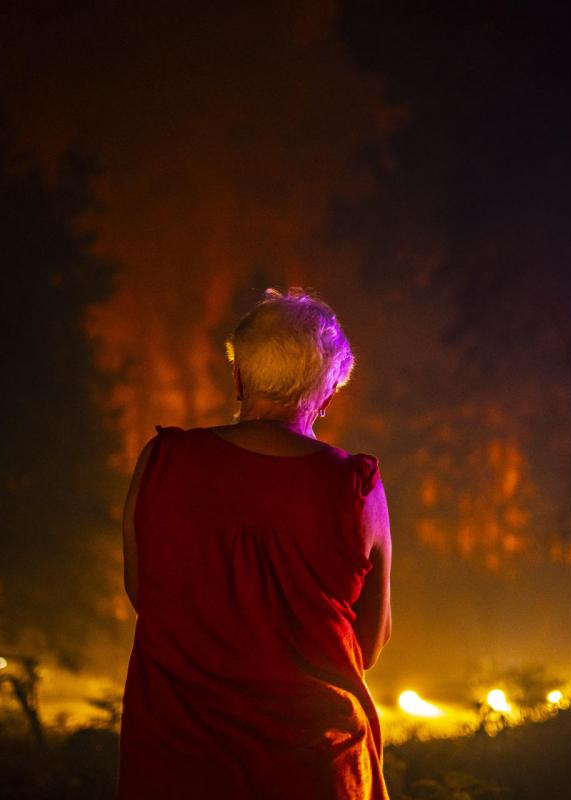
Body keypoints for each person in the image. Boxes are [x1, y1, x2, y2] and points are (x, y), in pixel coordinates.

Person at [118, 288, 392, 799]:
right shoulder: (355, 486)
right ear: (328, 393)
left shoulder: (163, 463)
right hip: (316, 770)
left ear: (239, 376)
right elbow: (369, 646)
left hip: (179, 765)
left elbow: (145, 595)